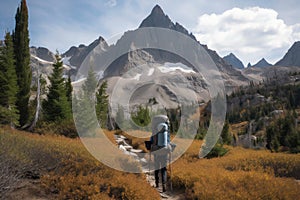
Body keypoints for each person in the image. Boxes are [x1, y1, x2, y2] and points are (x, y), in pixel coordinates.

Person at [150, 120, 171, 192]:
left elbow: (151, 141)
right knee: (164, 169)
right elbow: (168, 141)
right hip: (164, 152)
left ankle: (157, 184)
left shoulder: (155, 132)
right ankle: (164, 185)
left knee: (156, 168)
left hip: (157, 152)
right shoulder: (166, 132)